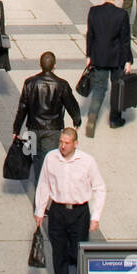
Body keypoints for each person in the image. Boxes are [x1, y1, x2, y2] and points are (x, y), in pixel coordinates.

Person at [34, 128, 105, 274]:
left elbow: (99, 188)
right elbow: (44, 184)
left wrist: (96, 216)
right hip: (57, 211)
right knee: (58, 252)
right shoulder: (50, 158)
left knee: (78, 252)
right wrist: (40, 211)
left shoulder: (87, 161)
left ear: (75, 144)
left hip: (79, 213)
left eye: (67, 143)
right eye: (61, 142)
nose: (63, 146)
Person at [12, 53, 81, 183]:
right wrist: (77, 121)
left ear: (40, 64)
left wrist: (16, 129)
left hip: (32, 128)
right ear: (54, 65)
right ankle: (46, 189)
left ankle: (39, 188)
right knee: (50, 160)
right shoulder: (62, 84)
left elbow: (22, 108)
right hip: (53, 129)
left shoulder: (30, 83)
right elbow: (71, 104)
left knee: (36, 158)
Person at [83, 0, 133, 135]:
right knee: (117, 90)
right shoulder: (122, 14)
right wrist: (128, 60)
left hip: (99, 56)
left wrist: (89, 55)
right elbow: (125, 40)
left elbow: (90, 35)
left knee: (99, 88)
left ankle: (92, 117)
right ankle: (114, 120)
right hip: (117, 57)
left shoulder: (94, 11)